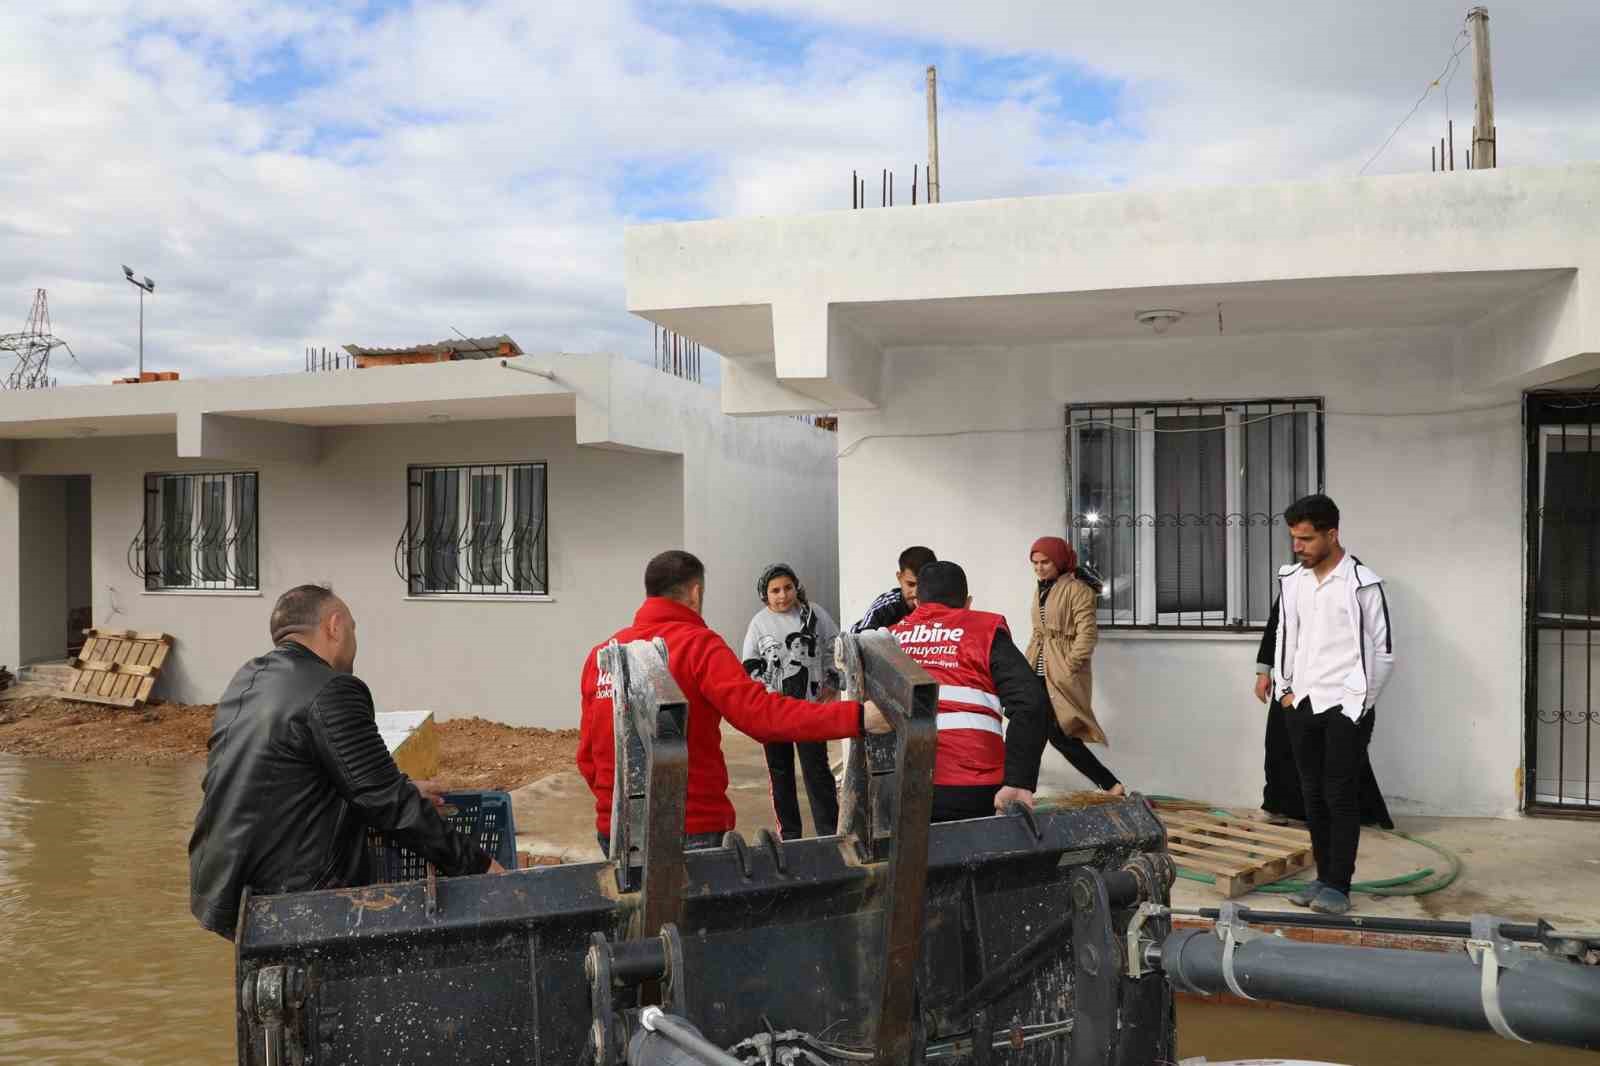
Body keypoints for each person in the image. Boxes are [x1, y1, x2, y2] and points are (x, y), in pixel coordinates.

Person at [188, 585, 503, 939]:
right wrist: (481, 867)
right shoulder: (332, 689)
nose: (354, 640)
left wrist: (400, 788)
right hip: (293, 899)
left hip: (224, 889)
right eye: (353, 629)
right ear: (334, 626)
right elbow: (386, 803)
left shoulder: (249, 679)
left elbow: (286, 779)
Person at [578, 551, 890, 855]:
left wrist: (618, 805)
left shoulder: (602, 655)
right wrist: (859, 717)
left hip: (615, 833)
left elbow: (588, 758)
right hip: (690, 831)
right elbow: (761, 716)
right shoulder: (699, 645)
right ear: (696, 593)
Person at [1272, 495, 1395, 916]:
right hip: (1301, 703)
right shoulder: (1293, 579)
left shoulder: (1362, 583)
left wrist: (1357, 706)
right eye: (1294, 539)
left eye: (1306, 539)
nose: (1298, 547)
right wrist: (1283, 689)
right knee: (1311, 795)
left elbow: (1384, 652)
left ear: (1332, 534)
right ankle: (1323, 878)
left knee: (1339, 795)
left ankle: (1338, 887)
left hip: (1346, 707)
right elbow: (1286, 635)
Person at [887, 560, 1053, 822]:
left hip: (901, 782)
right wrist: (1019, 780)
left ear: (917, 602)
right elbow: (1032, 703)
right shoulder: (984, 632)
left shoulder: (890, 639)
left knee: (912, 863)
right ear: (967, 602)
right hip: (971, 787)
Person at [1255, 598, 1393, 829]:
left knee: (1340, 748)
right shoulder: (1295, 578)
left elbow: (1373, 639)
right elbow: (1278, 626)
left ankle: (1340, 813)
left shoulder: (1354, 578)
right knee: (1280, 742)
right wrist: (1263, 671)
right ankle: (1276, 806)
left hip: (1337, 680)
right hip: (1293, 678)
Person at [742, 564, 842, 839]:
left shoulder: (814, 614)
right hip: (773, 712)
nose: (783, 595)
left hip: (808, 709)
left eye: (788, 588)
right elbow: (750, 664)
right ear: (765, 594)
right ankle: (789, 836)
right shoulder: (759, 623)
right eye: (775, 590)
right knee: (781, 773)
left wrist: (832, 681)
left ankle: (830, 833)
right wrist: (766, 694)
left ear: (796, 587)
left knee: (818, 771)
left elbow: (834, 647)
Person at [1022, 537, 1122, 795]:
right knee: (1032, 730)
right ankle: (1021, 789)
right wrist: (1025, 664)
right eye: (1035, 563)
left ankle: (1111, 784)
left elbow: (1087, 634)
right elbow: (1039, 631)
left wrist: (1069, 665)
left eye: (1045, 562)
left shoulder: (1077, 589)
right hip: (1038, 669)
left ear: (1059, 561)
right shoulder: (1041, 587)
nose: (1039, 568)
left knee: (1059, 735)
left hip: (1061, 671)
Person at [849, 545, 937, 633]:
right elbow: (861, 639)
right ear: (899, 578)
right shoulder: (887, 605)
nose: (916, 593)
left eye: (923, 585)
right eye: (910, 584)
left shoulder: (942, 604)